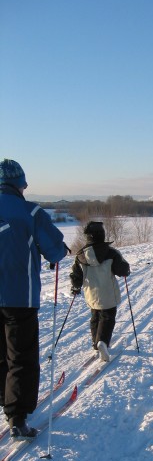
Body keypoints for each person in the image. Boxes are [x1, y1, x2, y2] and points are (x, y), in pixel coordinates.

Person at [0, 159, 68, 439]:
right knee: (21, 357)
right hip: (20, 297)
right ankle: (17, 418)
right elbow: (55, 251)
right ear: (19, 184)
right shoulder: (31, 212)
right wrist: (59, 251)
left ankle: (6, 400)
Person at [70, 221, 130, 362]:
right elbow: (121, 270)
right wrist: (126, 269)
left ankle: (95, 343)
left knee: (95, 316)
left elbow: (76, 277)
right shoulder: (111, 253)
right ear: (102, 235)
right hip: (108, 293)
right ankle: (102, 341)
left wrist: (75, 287)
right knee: (107, 318)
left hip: (91, 294)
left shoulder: (80, 255)